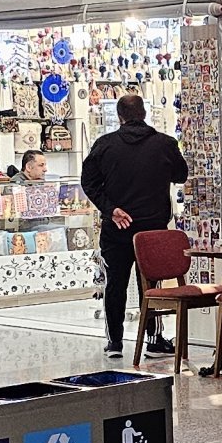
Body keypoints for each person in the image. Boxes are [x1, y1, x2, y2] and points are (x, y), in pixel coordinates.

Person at [80, 91, 188, 359]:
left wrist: (110, 209)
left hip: (117, 228)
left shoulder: (105, 145)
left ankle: (115, 343)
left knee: (115, 284)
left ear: (120, 117)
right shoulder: (165, 144)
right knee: (151, 285)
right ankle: (153, 339)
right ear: (144, 114)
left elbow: (89, 182)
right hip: (153, 228)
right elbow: (181, 174)